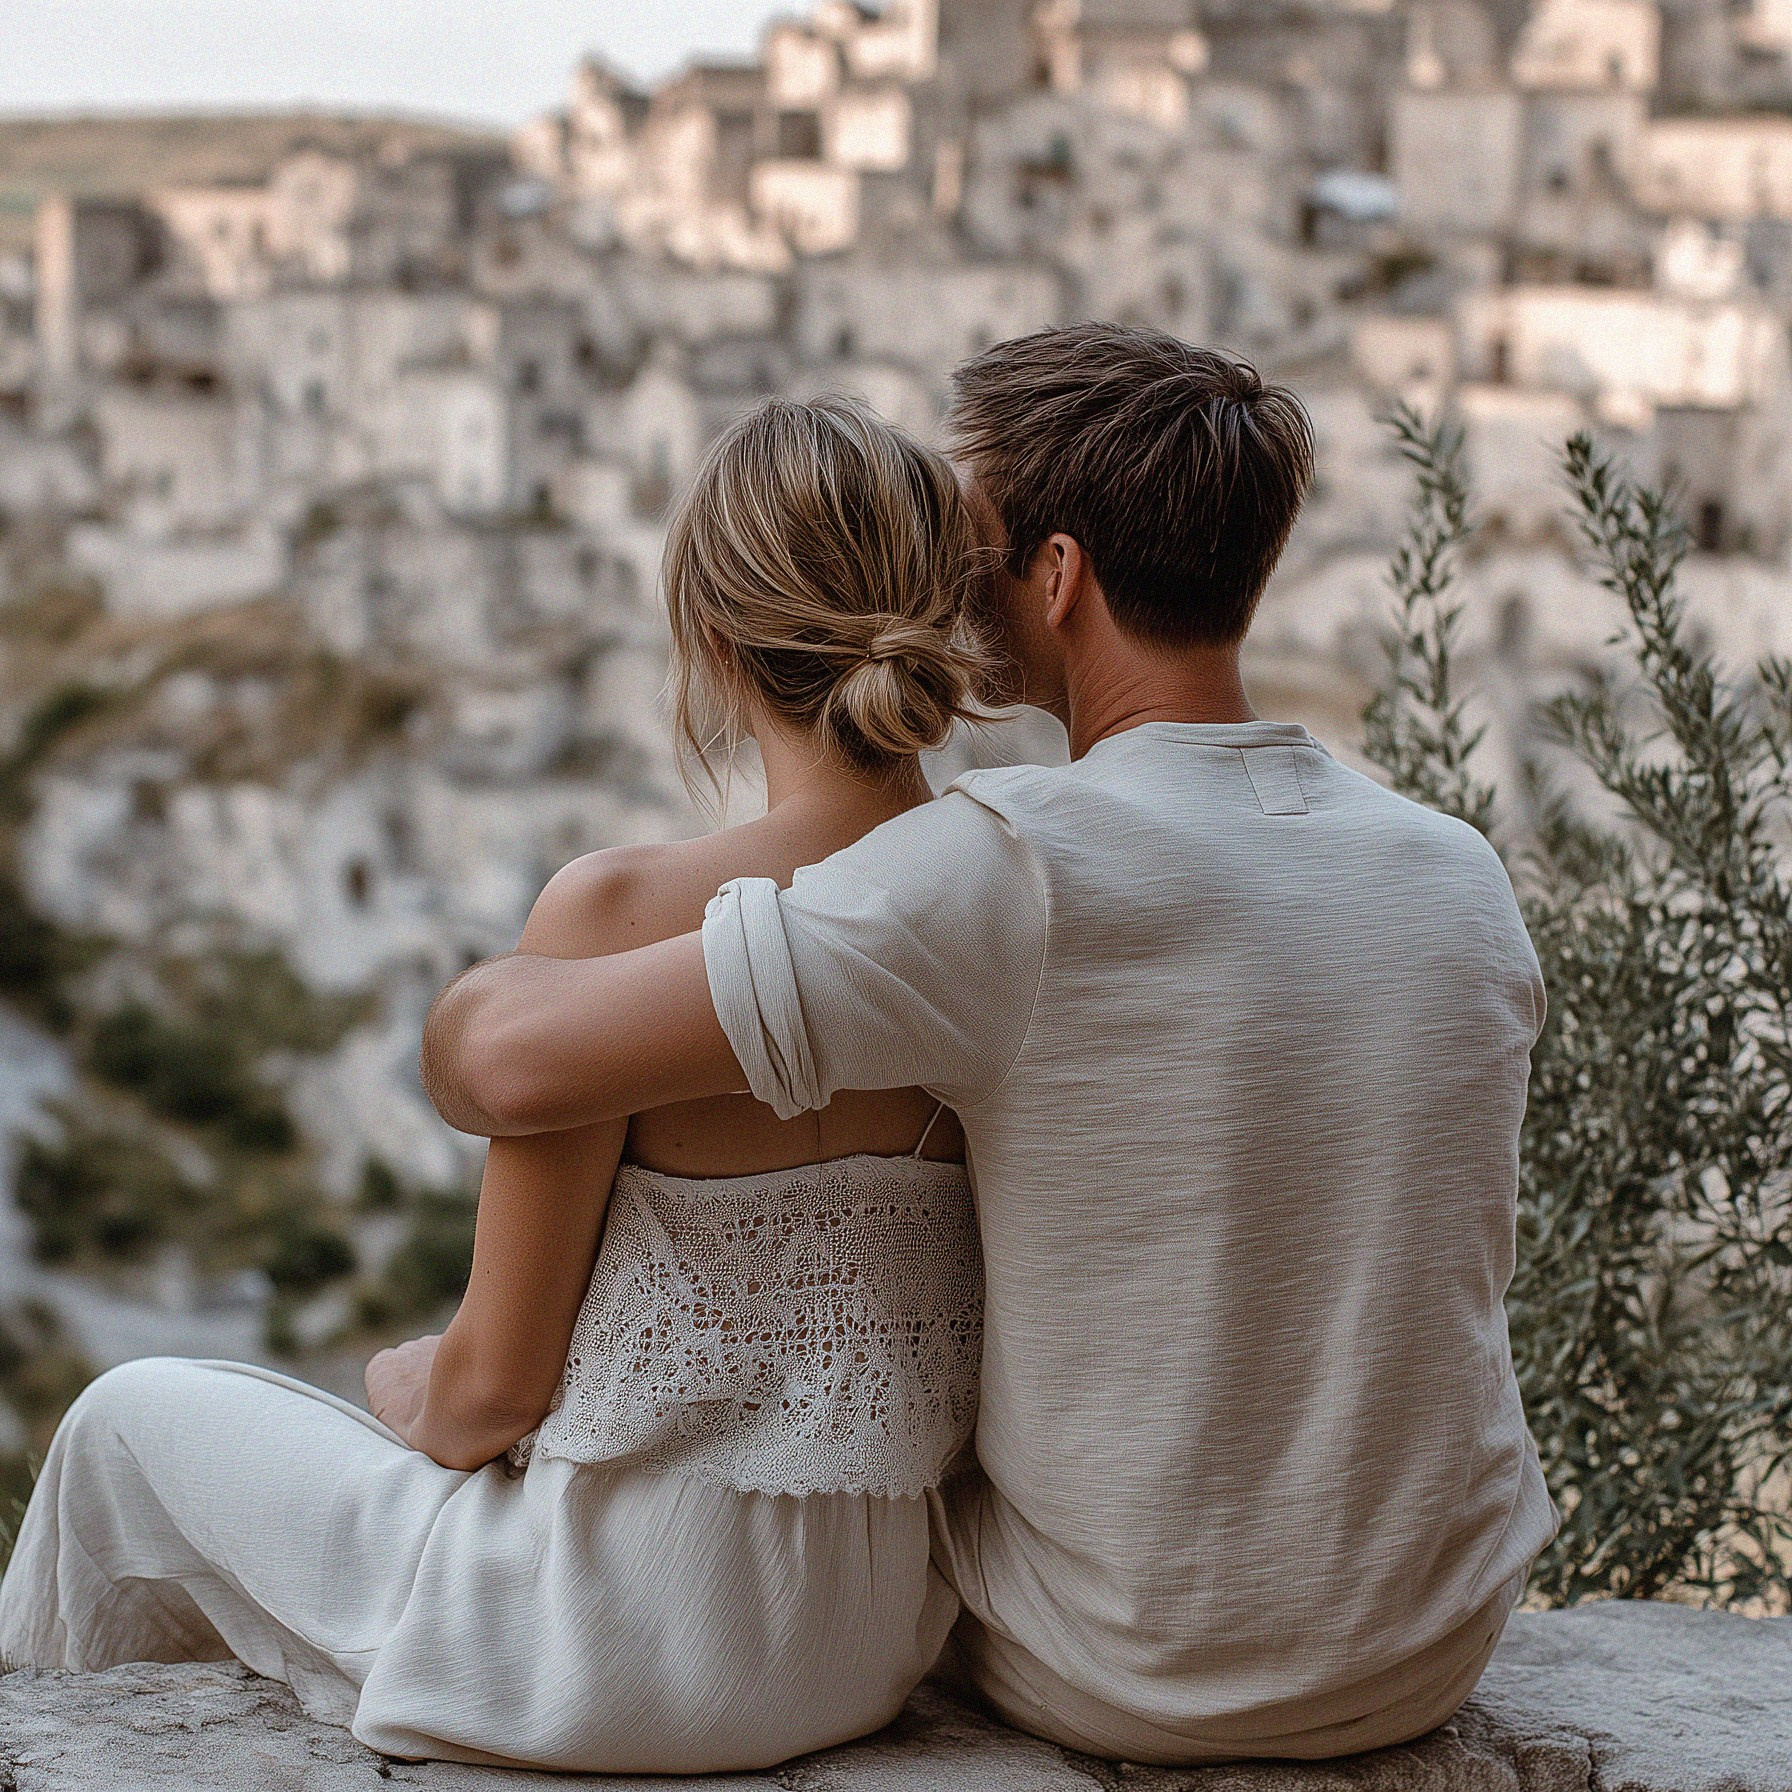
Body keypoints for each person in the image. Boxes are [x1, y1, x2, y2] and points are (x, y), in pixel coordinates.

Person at [419, 323, 1558, 1766]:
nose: (949, 593)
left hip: (1135, 1668)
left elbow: (517, 1066)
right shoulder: (1454, 870)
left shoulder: (1011, 869)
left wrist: (469, 1008)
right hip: (1435, 1641)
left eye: (974, 546)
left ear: (1059, 577)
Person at [0, 396, 989, 1773]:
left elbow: (490, 1396)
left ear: (709, 640)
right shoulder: (1007, 918)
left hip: (599, 1649)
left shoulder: (619, 920)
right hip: (856, 1650)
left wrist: (408, 1389)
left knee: (122, 1426)